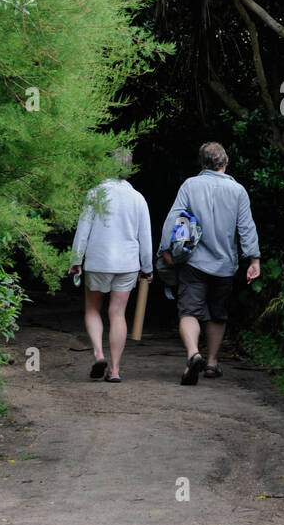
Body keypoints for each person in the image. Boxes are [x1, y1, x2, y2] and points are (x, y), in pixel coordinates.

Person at [159, 142, 260, 386]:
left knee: (188, 312)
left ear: (202, 163)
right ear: (224, 163)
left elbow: (174, 217)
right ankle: (212, 363)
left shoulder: (190, 185)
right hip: (225, 265)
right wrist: (253, 258)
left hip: (193, 262)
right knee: (218, 314)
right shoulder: (238, 191)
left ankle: (194, 353)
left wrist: (165, 249)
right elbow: (246, 227)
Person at [68, 151, 153, 384]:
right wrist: (147, 268)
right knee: (117, 313)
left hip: (98, 260)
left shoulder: (95, 193)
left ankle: (98, 354)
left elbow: (83, 230)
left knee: (93, 309)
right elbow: (145, 237)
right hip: (127, 264)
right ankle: (114, 370)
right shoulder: (138, 198)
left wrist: (76, 260)